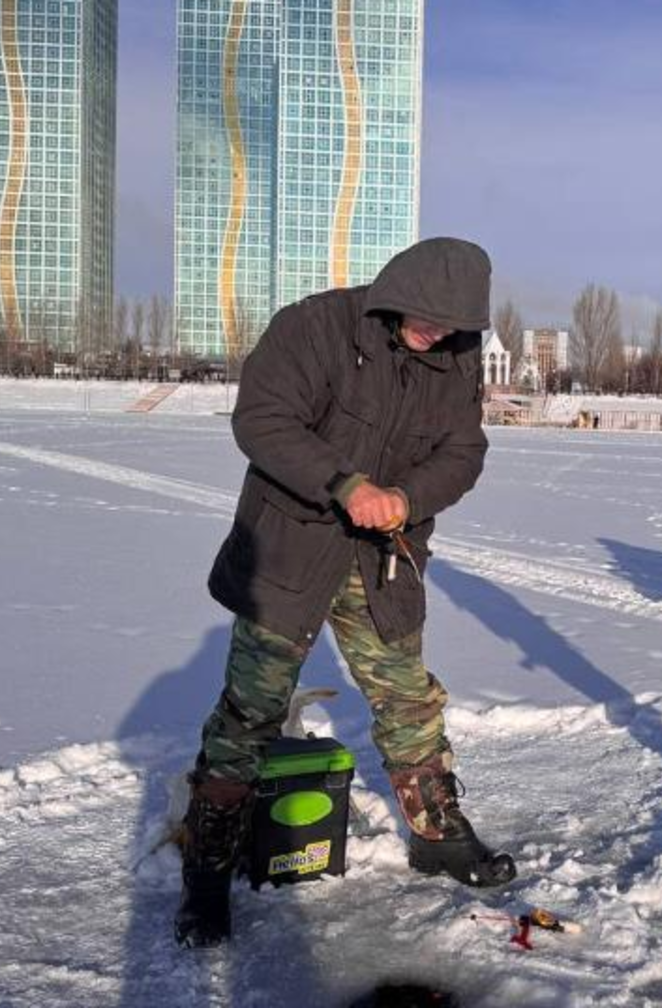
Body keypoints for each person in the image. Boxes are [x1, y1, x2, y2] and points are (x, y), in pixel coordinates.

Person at [176, 237, 516, 948]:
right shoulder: (317, 325)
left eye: (452, 325)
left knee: (407, 696)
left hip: (381, 559)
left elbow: (464, 452)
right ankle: (208, 862)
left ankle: (434, 831)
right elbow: (262, 419)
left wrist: (407, 496)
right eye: (426, 318)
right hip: (291, 550)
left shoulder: (455, 359)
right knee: (252, 708)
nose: (436, 333)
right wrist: (346, 484)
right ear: (397, 292)